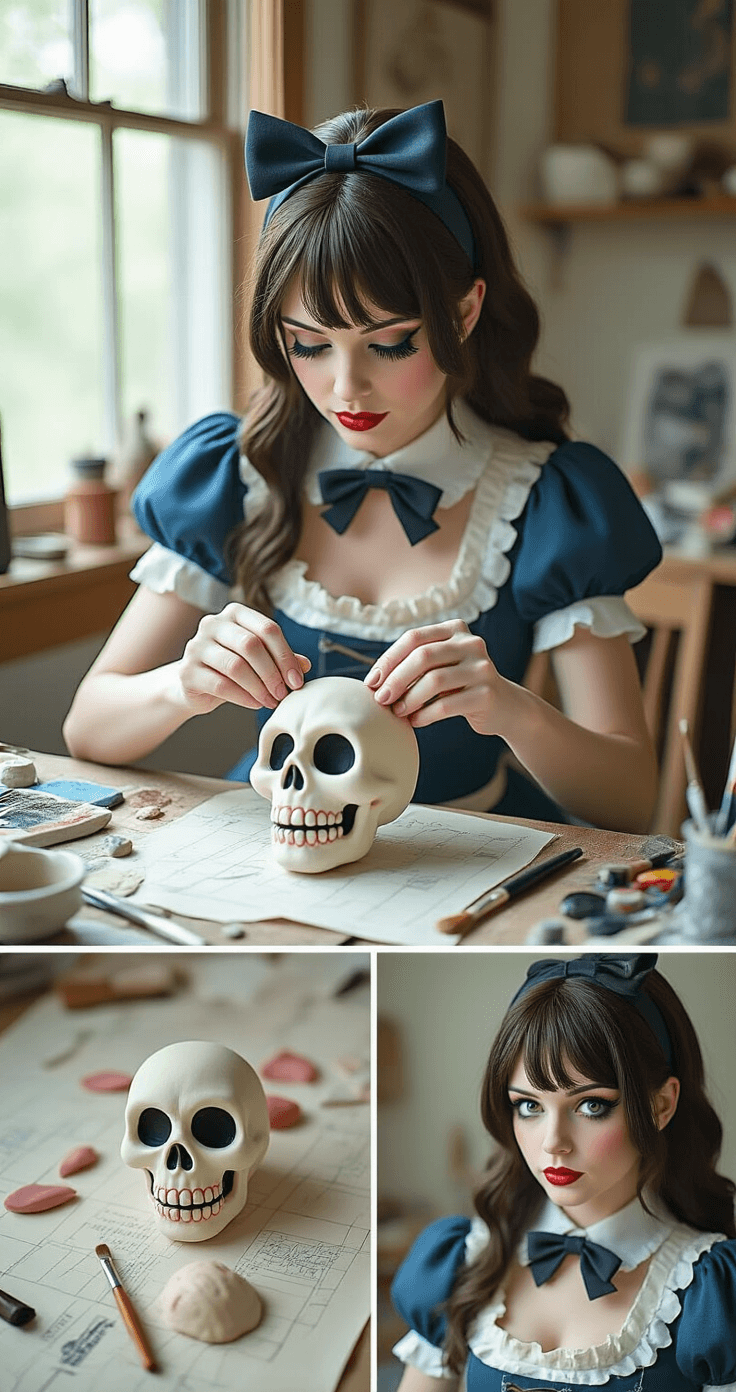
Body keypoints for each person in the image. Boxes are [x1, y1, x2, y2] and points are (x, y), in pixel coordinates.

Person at [63, 101, 661, 831]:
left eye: (390, 343)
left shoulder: (547, 498)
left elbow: (632, 799)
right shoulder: (237, 470)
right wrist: (185, 685)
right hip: (269, 857)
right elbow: (86, 730)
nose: (346, 388)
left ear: (466, 313)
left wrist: (510, 710)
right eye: (309, 344)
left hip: (469, 866)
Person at [391, 953, 736, 1390]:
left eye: (592, 1105)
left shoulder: (713, 1296)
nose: (553, 1141)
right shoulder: (463, 1260)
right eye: (529, 1106)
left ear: (661, 1105)